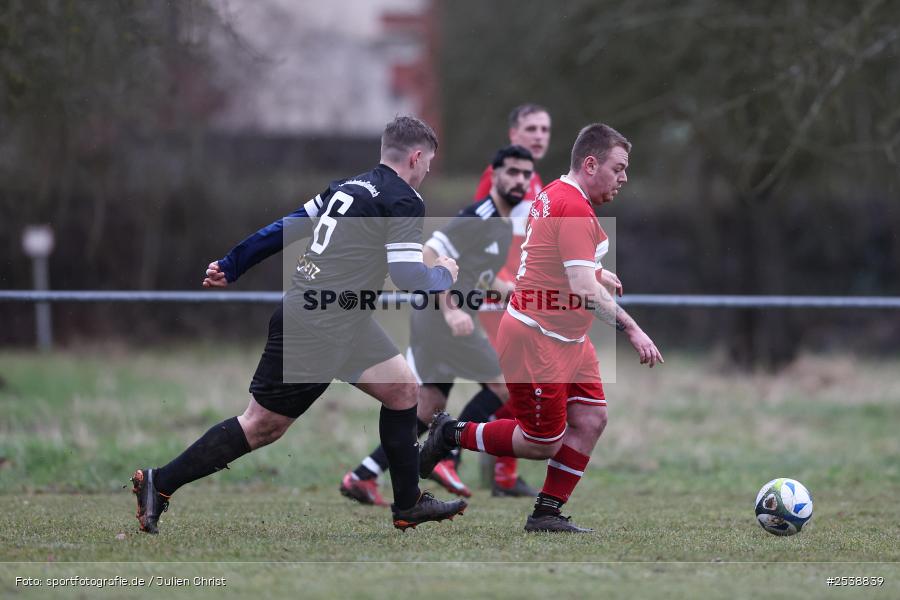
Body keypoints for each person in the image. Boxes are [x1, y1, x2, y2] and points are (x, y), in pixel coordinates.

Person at [131, 116, 468, 534]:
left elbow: (287, 225)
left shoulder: (346, 187)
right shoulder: (404, 200)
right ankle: (159, 482)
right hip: (320, 323)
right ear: (416, 157)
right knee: (261, 426)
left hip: (340, 316)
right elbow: (408, 276)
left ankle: (408, 503)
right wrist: (445, 276)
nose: (428, 172)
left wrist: (235, 262)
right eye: (429, 163)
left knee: (403, 390)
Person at [419, 123, 664, 533]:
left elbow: (551, 256)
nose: (624, 178)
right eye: (618, 168)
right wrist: (633, 329)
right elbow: (582, 288)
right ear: (590, 163)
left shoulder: (554, 192)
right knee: (541, 441)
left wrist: (596, 270)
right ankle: (451, 434)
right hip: (537, 338)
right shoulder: (571, 206)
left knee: (590, 419)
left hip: (569, 338)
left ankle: (546, 512)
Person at [339, 145, 538, 504]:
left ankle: (363, 475)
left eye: (526, 174)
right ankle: (448, 454)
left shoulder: (502, 223)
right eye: (512, 171)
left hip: (435, 320)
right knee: (508, 387)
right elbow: (429, 255)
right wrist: (450, 311)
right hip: (441, 320)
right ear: (494, 176)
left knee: (426, 407)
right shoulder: (478, 216)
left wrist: (505, 290)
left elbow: (477, 272)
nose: (519, 179)